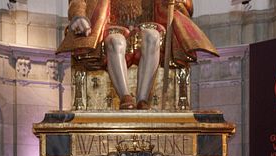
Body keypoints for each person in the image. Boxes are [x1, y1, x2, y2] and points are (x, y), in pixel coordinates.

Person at [58, 0, 218, 110]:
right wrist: (78, 16)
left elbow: (184, 5)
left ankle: (142, 99)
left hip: (148, 27)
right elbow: (79, 1)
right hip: (112, 26)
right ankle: (126, 97)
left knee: (152, 36)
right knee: (116, 41)